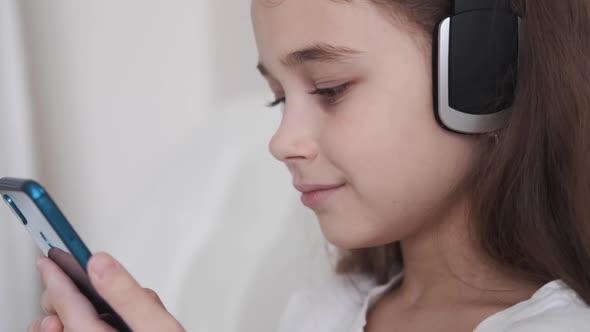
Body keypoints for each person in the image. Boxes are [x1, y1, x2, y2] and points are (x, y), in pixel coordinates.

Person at [28, 0, 590, 331]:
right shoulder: (323, 306)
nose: (282, 141)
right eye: (278, 97)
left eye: (329, 88)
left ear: (482, 72)